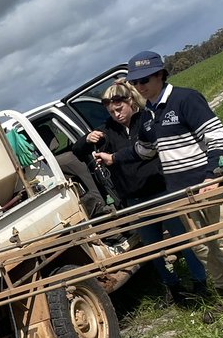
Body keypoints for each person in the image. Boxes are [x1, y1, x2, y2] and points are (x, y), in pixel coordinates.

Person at [124, 50, 223, 322]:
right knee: (203, 248)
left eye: (145, 79)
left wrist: (213, 175)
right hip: (181, 196)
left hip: (209, 186)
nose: (140, 86)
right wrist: (112, 157)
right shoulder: (148, 116)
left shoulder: (185, 99)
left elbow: (217, 137)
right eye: (135, 82)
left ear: (160, 75)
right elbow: (144, 150)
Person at [85, 82, 207, 305]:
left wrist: (117, 157)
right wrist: (87, 139)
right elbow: (77, 150)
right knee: (154, 249)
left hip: (162, 191)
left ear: (130, 101)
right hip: (135, 200)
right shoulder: (107, 130)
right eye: (111, 111)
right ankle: (173, 287)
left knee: (184, 240)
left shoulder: (147, 120)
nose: (116, 114)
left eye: (119, 108)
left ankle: (201, 282)